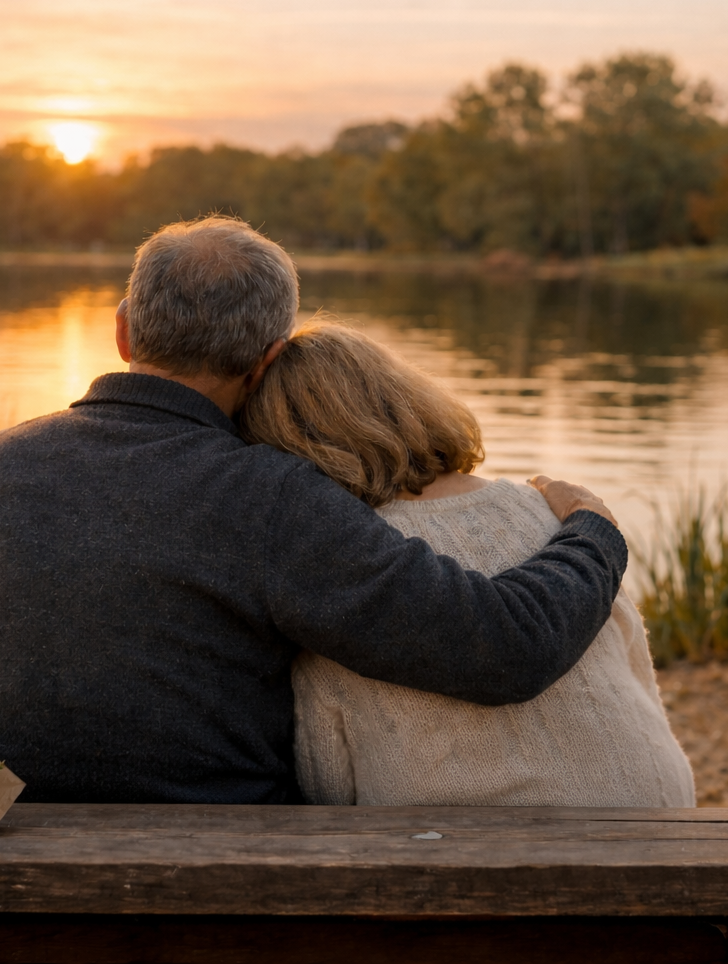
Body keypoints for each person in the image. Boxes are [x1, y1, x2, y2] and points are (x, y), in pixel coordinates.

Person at [0, 215, 630, 804]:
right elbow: (505, 648)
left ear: (124, 333)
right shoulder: (269, 495)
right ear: (269, 361)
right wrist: (592, 531)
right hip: (206, 903)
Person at [239, 322, 695, 807]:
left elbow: (327, 777)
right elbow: (633, 665)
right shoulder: (550, 510)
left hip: (463, 854)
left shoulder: (334, 568)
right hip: (653, 806)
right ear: (404, 397)